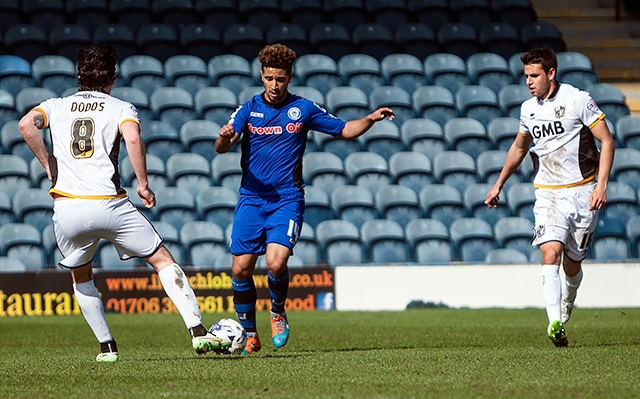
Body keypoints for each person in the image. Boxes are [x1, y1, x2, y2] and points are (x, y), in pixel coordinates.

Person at [18, 44, 230, 362]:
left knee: (81, 275)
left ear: (79, 76)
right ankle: (198, 332)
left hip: (68, 207)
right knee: (162, 260)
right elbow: (132, 139)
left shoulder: (55, 106)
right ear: (113, 77)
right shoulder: (121, 107)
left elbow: (25, 125)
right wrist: (143, 185)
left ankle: (107, 348)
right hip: (110, 204)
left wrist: (48, 163)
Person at [215, 44, 394, 354]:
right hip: (252, 199)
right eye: (269, 78)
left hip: (287, 199)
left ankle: (277, 312)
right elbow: (222, 145)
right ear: (261, 76)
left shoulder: (304, 109)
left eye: (280, 79)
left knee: (276, 260)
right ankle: (249, 334)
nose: (274, 85)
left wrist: (371, 118)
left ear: (290, 78)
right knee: (241, 269)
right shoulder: (248, 109)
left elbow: (345, 130)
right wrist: (225, 137)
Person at [485, 47, 615, 347]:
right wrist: (498, 184)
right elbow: (519, 148)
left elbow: (607, 141)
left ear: (551, 73)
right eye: (526, 76)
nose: (529, 82)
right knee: (550, 254)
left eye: (534, 75)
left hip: (583, 192)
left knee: (572, 264)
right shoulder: (528, 109)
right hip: (547, 194)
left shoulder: (577, 99)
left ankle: (568, 298)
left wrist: (601, 186)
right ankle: (554, 323)